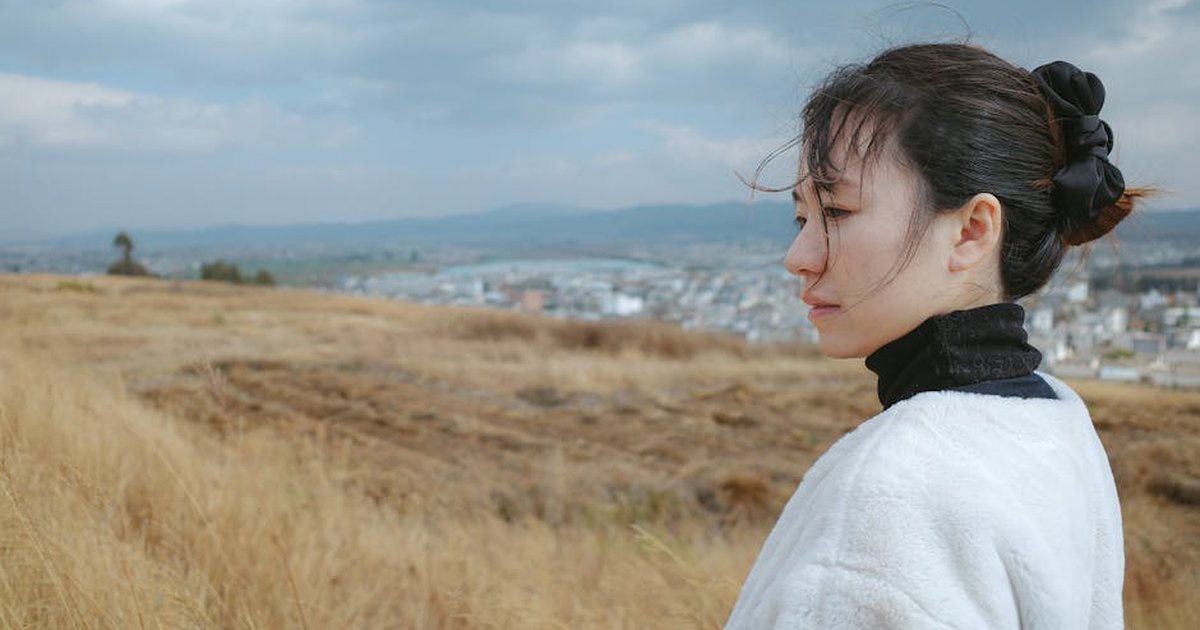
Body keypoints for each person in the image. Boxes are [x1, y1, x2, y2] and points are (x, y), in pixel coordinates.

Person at [725, 43, 1147, 629]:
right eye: (802, 218)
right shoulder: (1054, 420)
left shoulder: (891, 493)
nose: (799, 257)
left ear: (973, 230)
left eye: (838, 211)